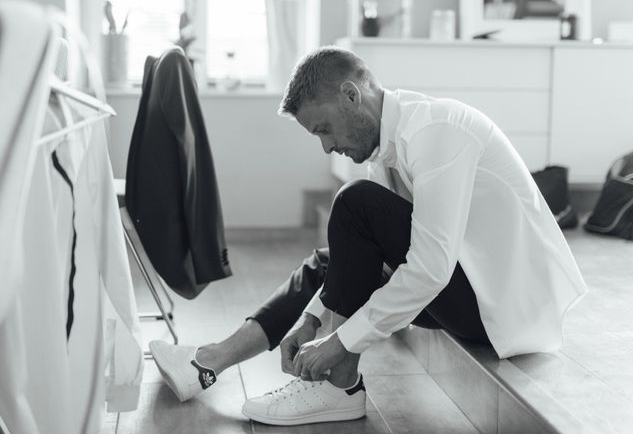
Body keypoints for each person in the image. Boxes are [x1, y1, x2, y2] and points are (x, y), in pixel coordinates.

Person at [150, 46, 588, 426]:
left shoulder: (437, 131)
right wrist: (311, 320)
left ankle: (339, 386)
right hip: (469, 290)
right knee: (331, 257)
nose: (325, 146)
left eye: (323, 128)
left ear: (351, 95)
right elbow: (383, 265)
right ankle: (207, 363)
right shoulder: (390, 148)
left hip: (501, 309)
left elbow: (430, 269)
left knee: (355, 203)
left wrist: (338, 342)